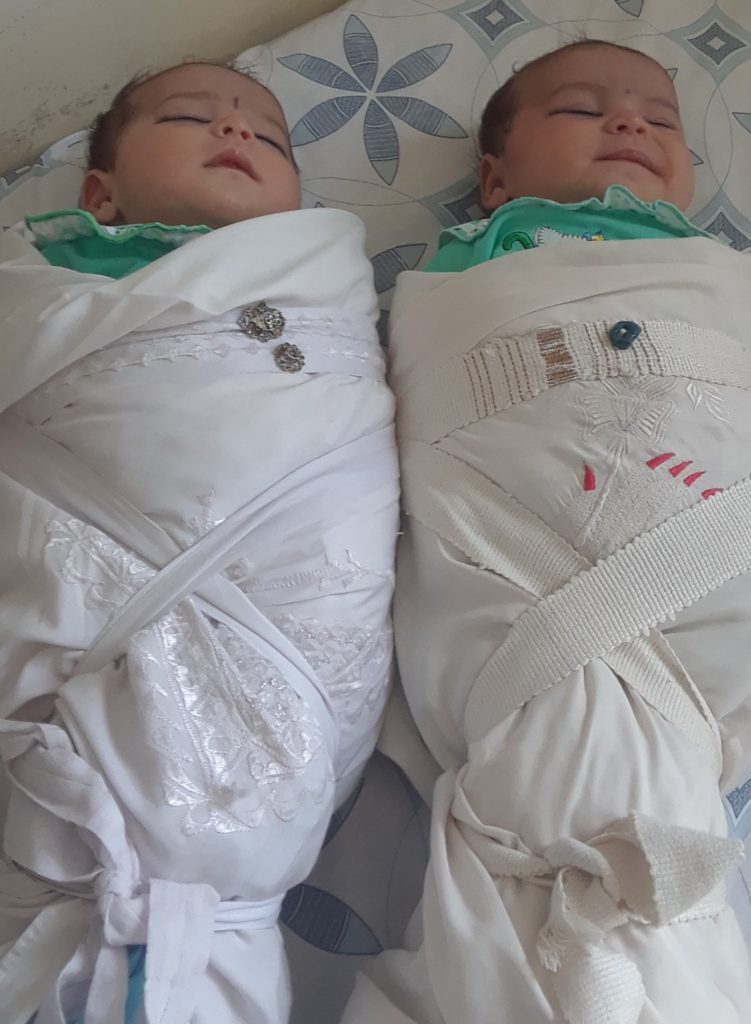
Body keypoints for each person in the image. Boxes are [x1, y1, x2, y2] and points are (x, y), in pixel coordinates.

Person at [343, 39, 751, 1024]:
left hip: (698, 550)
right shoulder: (464, 273)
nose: (631, 123)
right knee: (550, 720)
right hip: (505, 546)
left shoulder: (716, 274)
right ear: (493, 178)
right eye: (580, 109)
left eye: (661, 119)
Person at [0, 61, 399, 1024]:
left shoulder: (328, 282)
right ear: (100, 193)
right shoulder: (44, 285)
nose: (235, 130)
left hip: (288, 604)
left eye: (269, 134)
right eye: (190, 118)